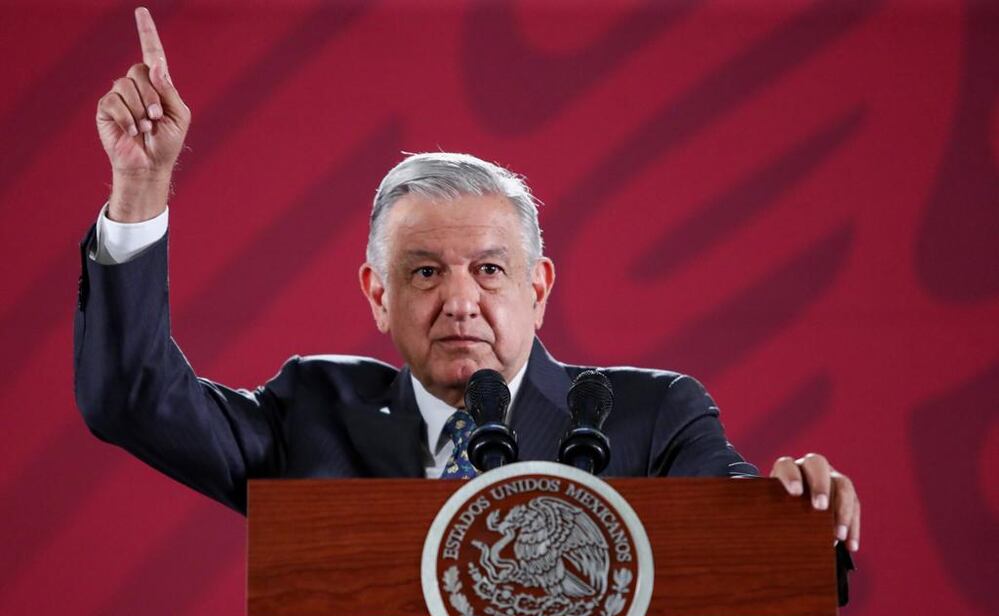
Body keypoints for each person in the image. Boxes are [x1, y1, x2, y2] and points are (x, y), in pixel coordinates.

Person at [76, 8, 860, 553]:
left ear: (539, 287)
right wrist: (140, 184)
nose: (459, 301)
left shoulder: (650, 419)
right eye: (423, 272)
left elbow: (756, 557)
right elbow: (131, 398)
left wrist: (794, 516)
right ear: (378, 296)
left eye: (489, 269)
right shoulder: (315, 416)